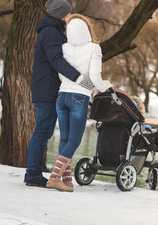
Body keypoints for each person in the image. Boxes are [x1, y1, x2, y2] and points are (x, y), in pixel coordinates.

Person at [24, 0, 94, 187]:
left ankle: (37, 169)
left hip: (46, 87)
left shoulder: (52, 31)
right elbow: (57, 61)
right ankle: (32, 174)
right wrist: (80, 78)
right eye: (68, 13)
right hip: (47, 89)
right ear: (62, 15)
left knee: (43, 131)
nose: (71, 16)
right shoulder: (51, 33)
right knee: (43, 131)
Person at [46, 13, 112, 192]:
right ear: (87, 30)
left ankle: (66, 181)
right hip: (79, 97)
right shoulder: (94, 49)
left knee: (65, 139)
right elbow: (96, 76)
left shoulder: (65, 47)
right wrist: (105, 88)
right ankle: (54, 177)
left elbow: (62, 72)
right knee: (74, 140)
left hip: (62, 96)